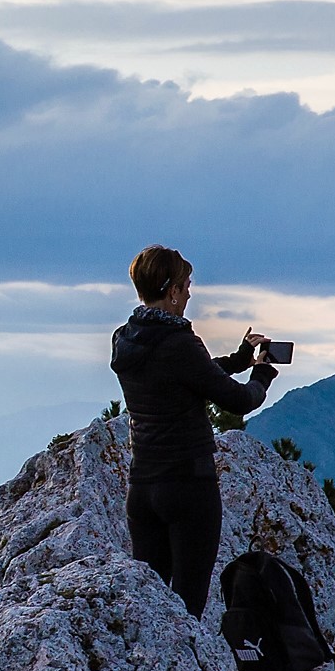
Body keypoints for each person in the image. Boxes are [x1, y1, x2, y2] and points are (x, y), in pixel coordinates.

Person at [111, 244, 278, 619]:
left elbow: (189, 375)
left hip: (142, 489)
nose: (189, 295)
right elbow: (238, 400)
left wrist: (238, 359)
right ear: (172, 291)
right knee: (187, 607)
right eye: (186, 287)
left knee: (149, 609)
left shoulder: (124, 339)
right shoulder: (181, 343)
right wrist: (262, 375)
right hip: (188, 486)